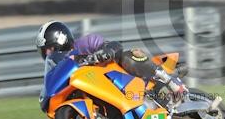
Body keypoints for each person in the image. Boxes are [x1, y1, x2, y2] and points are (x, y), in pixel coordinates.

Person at [35, 20, 187, 111]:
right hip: (105, 91)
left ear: (60, 40)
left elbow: (114, 45)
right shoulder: (60, 71)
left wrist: (105, 52)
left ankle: (170, 82)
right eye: (44, 51)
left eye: (48, 49)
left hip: (124, 79)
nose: (47, 54)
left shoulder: (84, 44)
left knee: (128, 55)